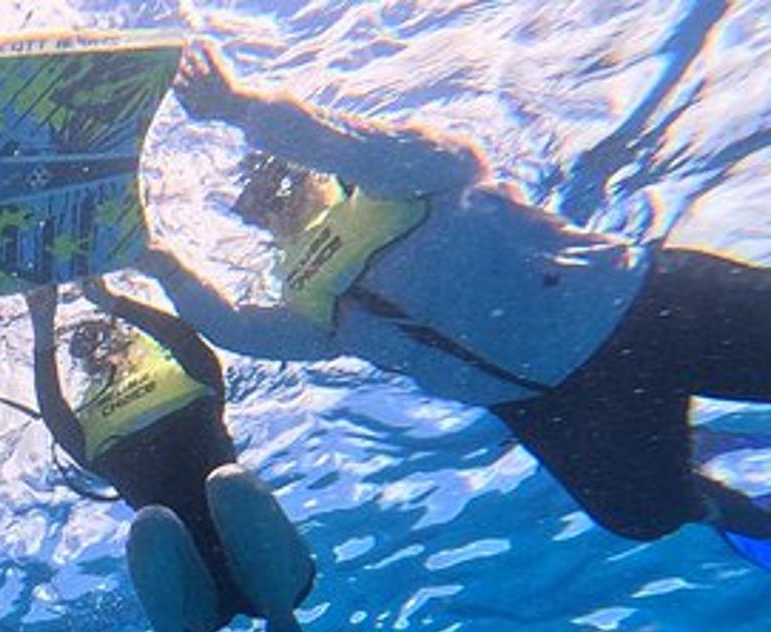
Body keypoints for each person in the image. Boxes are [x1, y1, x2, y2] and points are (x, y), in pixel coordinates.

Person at [140, 42, 771, 569]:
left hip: (642, 304)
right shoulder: (316, 303)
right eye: (259, 204)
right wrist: (153, 259)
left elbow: (341, 144)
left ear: (314, 178)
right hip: (560, 403)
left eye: (280, 183)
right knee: (643, 517)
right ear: (256, 227)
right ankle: (701, 483)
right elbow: (234, 329)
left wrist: (238, 108)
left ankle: (686, 447)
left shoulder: (409, 178)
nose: (274, 200)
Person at [26, 280, 343, 632]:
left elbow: (188, 341)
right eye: (88, 354)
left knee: (228, 483)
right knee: (150, 523)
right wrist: (42, 331)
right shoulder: (90, 437)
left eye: (108, 342)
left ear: (135, 345)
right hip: (192, 592)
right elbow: (54, 410)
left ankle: (285, 630)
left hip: (264, 562)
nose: (102, 356)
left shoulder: (192, 379)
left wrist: (113, 302)